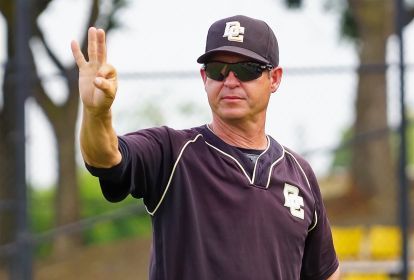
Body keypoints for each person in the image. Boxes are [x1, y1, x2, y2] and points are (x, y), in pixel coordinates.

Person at [71, 15, 340, 280]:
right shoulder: (172, 152)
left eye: (247, 69)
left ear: (275, 78)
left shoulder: (299, 174)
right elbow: (105, 158)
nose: (230, 81)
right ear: (204, 77)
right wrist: (97, 114)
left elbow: (325, 272)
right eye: (217, 69)